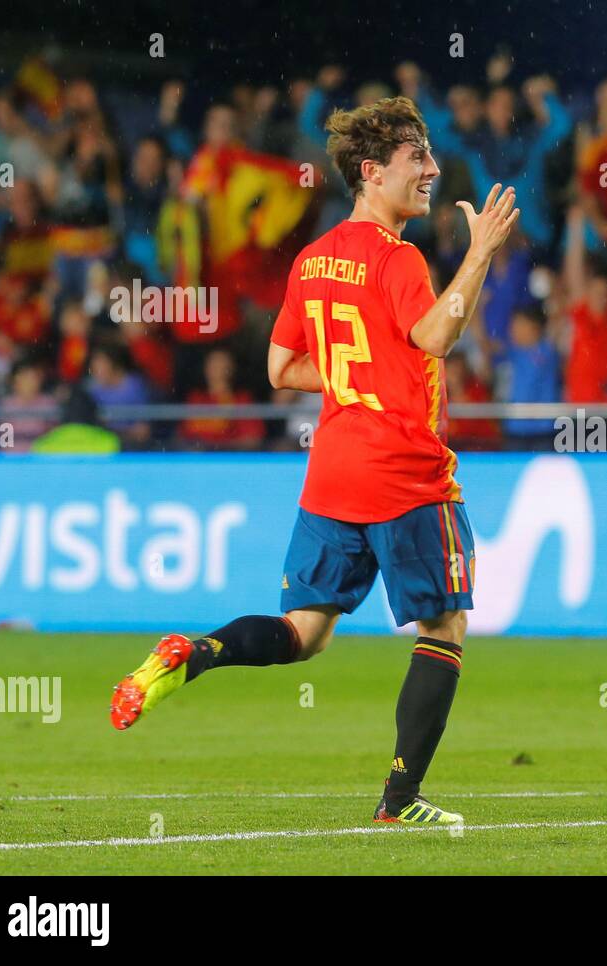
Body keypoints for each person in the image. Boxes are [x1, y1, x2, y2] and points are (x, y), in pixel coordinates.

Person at [108, 96, 520, 827]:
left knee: (302, 630)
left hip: (332, 474)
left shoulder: (313, 257)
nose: (430, 169)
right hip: (405, 475)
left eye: (428, 156)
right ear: (372, 172)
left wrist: (356, 377)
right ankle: (399, 801)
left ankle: (197, 652)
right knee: (444, 628)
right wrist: (481, 250)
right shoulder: (399, 257)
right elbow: (435, 338)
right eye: (415, 159)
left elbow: (278, 365)